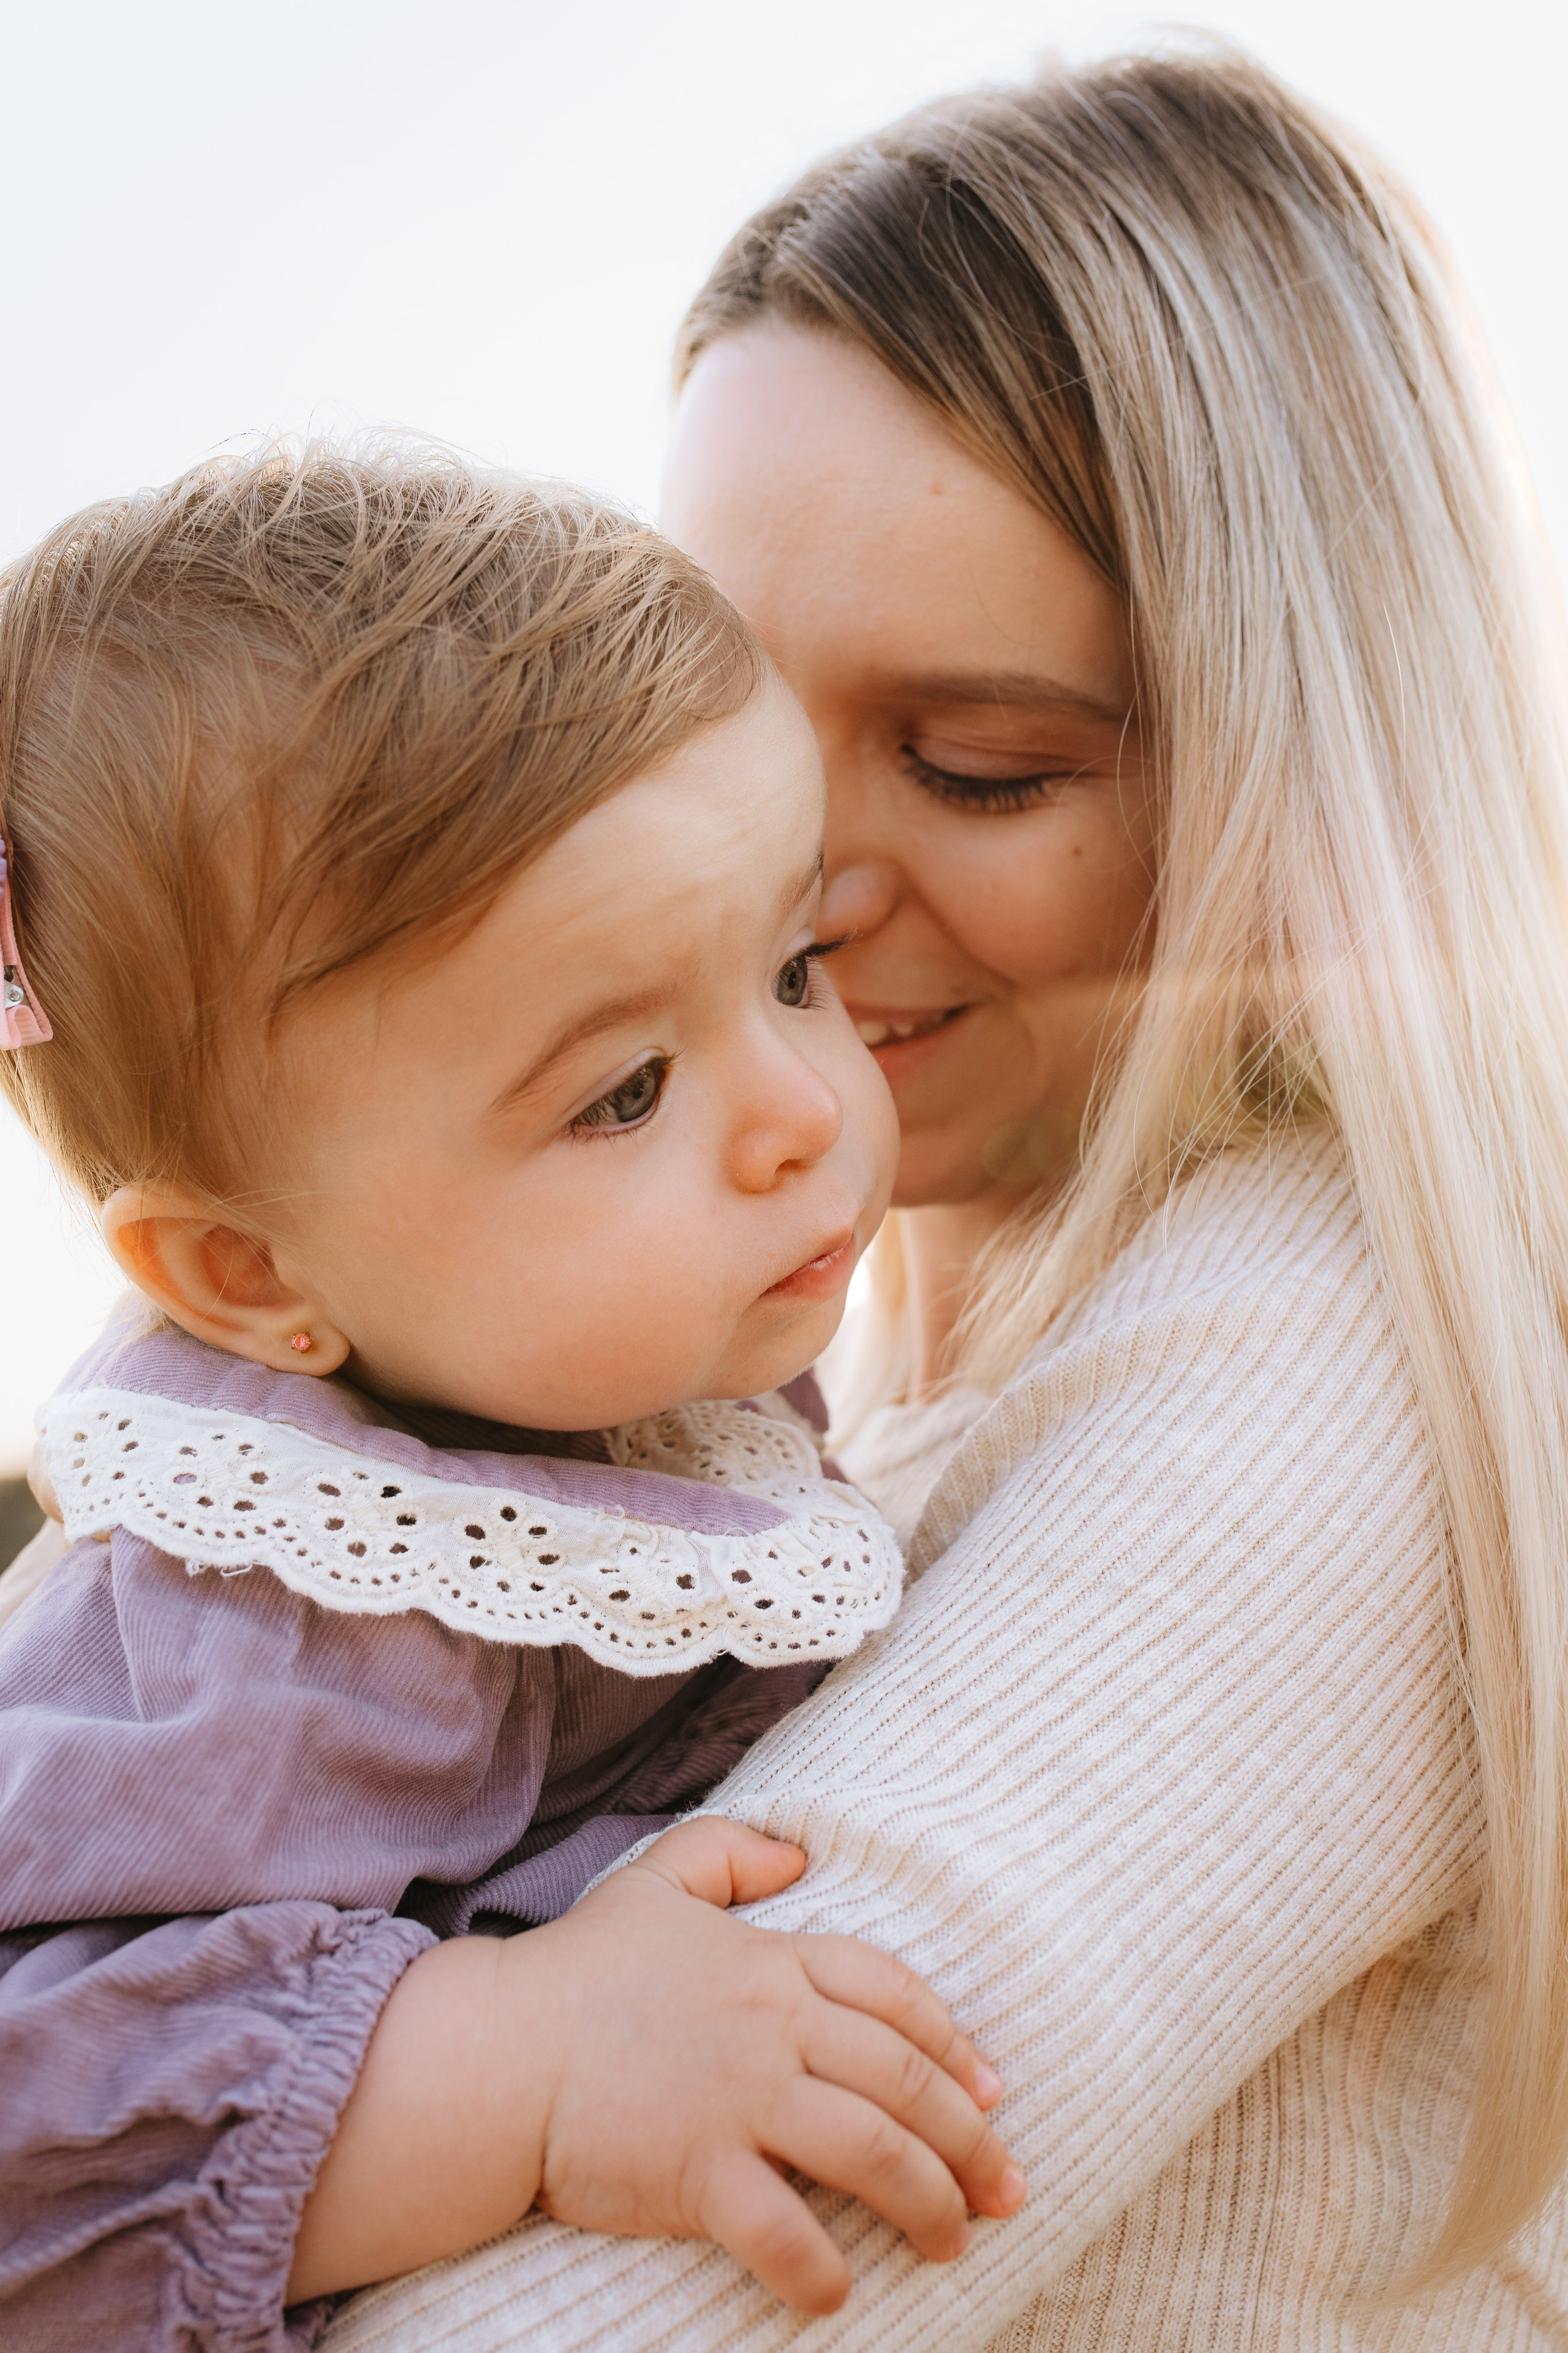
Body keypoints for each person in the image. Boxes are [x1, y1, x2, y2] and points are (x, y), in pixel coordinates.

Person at [317, 43, 1568, 2353]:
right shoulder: (814, 1418)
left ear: (1304, 769)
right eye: (722, 729)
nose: (788, 879)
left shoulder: (1303, 1386)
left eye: (980, 765)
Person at [0, 447, 1026, 2349]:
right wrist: (527, 2057)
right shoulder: (253, 1625)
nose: (807, 1106)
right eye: (626, 1089)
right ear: (252, 1279)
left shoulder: (619, 1382)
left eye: (794, 964)